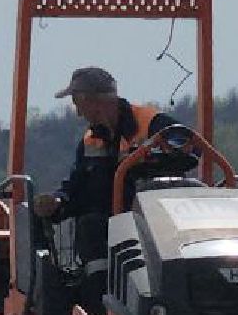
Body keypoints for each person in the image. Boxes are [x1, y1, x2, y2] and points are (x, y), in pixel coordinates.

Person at [31, 66, 173, 223]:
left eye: (77, 103)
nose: (78, 113)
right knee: (89, 224)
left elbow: (191, 148)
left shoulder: (152, 123)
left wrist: (150, 164)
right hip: (113, 229)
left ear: (93, 102)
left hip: (157, 222)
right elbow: (76, 187)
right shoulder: (90, 142)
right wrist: (57, 202)